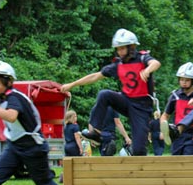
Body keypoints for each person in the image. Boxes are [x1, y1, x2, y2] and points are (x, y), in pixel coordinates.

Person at [61, 28, 161, 156]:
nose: (119, 52)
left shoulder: (142, 58)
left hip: (141, 107)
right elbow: (95, 76)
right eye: (118, 49)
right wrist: (72, 84)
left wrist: (147, 71)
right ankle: (96, 133)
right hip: (126, 100)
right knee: (104, 95)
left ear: (131, 47)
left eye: (122, 49)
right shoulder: (118, 64)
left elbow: (155, 63)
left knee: (139, 149)